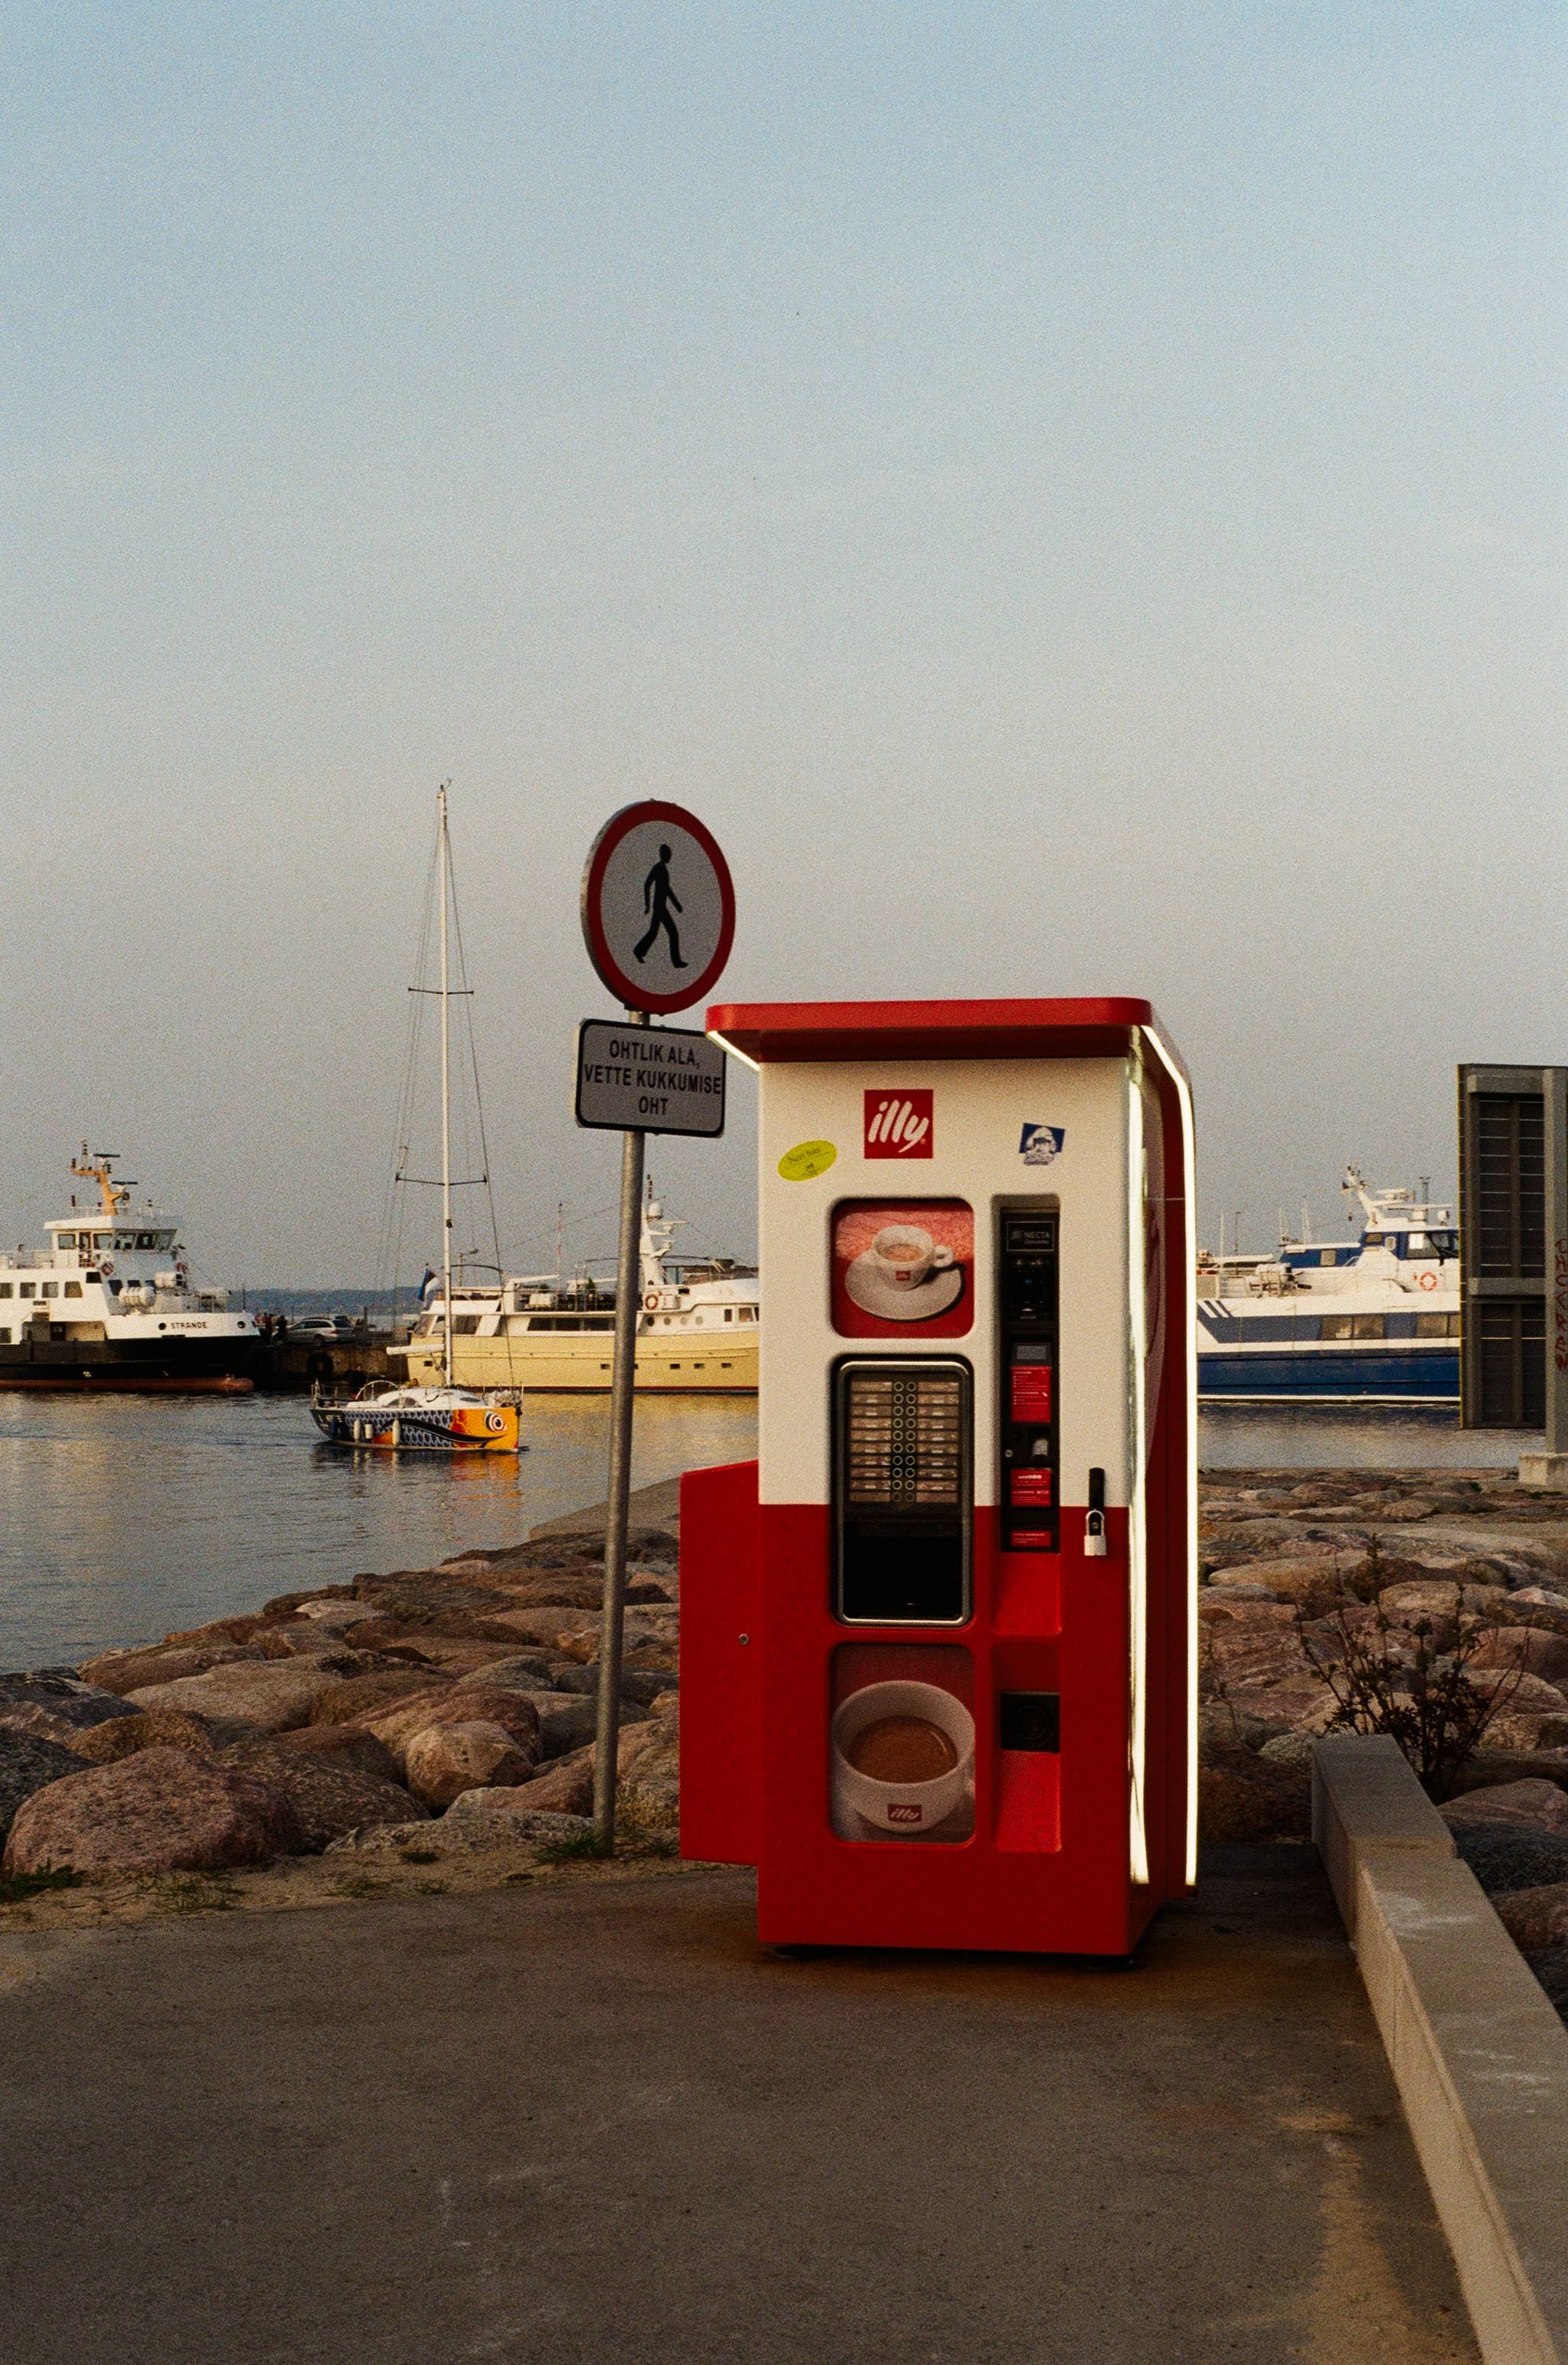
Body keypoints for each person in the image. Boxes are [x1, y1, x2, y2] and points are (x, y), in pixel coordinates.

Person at [634, 844, 687, 968]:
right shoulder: (658, 868)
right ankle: (676, 962)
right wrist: (647, 904)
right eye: (668, 854)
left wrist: (676, 905)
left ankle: (638, 951)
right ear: (663, 855)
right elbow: (647, 884)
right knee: (673, 933)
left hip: (660, 906)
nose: (670, 856)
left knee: (653, 932)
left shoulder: (663, 869)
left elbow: (667, 889)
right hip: (659, 907)